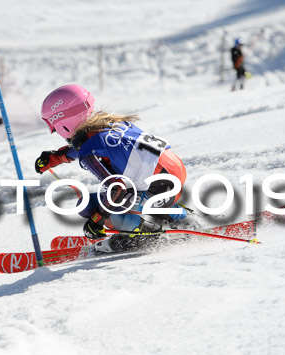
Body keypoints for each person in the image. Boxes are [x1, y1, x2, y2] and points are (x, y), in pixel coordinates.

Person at [35, 84, 187, 254]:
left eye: (55, 126)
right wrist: (57, 157)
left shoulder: (88, 151)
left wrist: (96, 220)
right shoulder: (109, 123)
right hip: (172, 177)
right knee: (97, 202)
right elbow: (92, 146)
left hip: (161, 189)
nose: (55, 131)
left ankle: (142, 235)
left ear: (65, 123)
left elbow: (116, 188)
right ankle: (178, 216)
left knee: (95, 206)